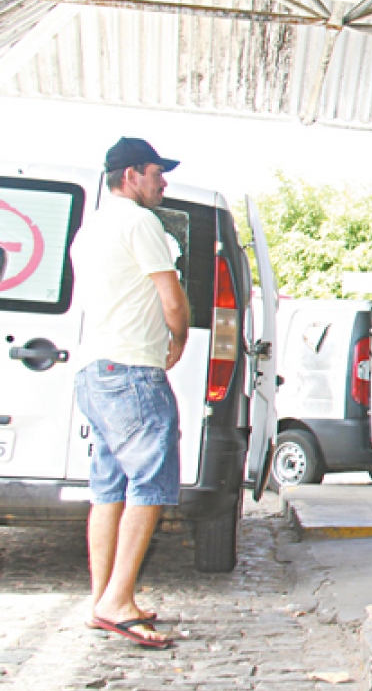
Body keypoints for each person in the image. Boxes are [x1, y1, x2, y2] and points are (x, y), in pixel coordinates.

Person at [70, 138, 187, 650]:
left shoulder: (89, 226)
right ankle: (119, 600)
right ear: (132, 174)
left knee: (109, 486)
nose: (164, 182)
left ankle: (105, 600)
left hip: (94, 370)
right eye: (158, 173)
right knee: (151, 481)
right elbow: (171, 296)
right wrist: (178, 339)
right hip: (133, 371)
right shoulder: (141, 224)